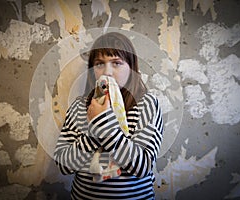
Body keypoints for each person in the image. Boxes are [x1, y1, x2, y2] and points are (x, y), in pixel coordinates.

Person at [54, 31, 163, 200]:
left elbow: (142, 167)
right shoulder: (79, 107)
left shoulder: (146, 104)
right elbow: (64, 165)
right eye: (99, 64)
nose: (107, 72)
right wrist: (93, 131)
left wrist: (102, 123)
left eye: (116, 63)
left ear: (131, 68)